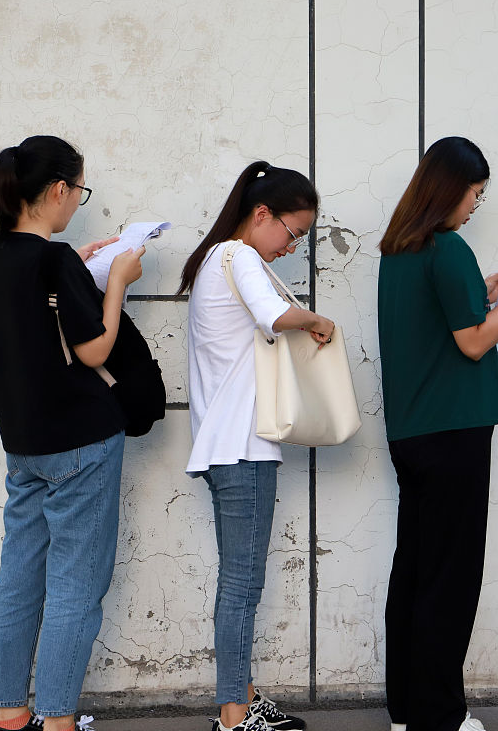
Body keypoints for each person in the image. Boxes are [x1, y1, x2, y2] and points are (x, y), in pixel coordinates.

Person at [376, 137, 498, 731]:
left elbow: (444, 318)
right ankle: (442, 716)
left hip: (412, 433)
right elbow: (473, 340)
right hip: (455, 434)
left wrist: (489, 286)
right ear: (451, 189)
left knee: (415, 573)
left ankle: (408, 712)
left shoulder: (397, 251)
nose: (476, 204)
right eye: (474, 193)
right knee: (451, 580)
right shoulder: (447, 249)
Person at [0, 135, 145, 731]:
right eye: (77, 190)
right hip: (81, 440)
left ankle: (10, 713)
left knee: (20, 575)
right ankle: (57, 720)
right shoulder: (56, 260)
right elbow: (94, 344)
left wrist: (81, 265)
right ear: (57, 190)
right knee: (77, 583)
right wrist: (118, 278)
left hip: (25, 442)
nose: (77, 202)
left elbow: (37, 321)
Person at [177, 162, 334, 731]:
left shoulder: (218, 260)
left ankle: (241, 697)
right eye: (293, 233)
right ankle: (233, 716)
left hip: (233, 445)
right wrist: (318, 320)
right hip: (241, 446)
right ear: (262, 214)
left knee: (241, 580)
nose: (293, 246)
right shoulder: (240, 256)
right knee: (242, 584)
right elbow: (275, 316)